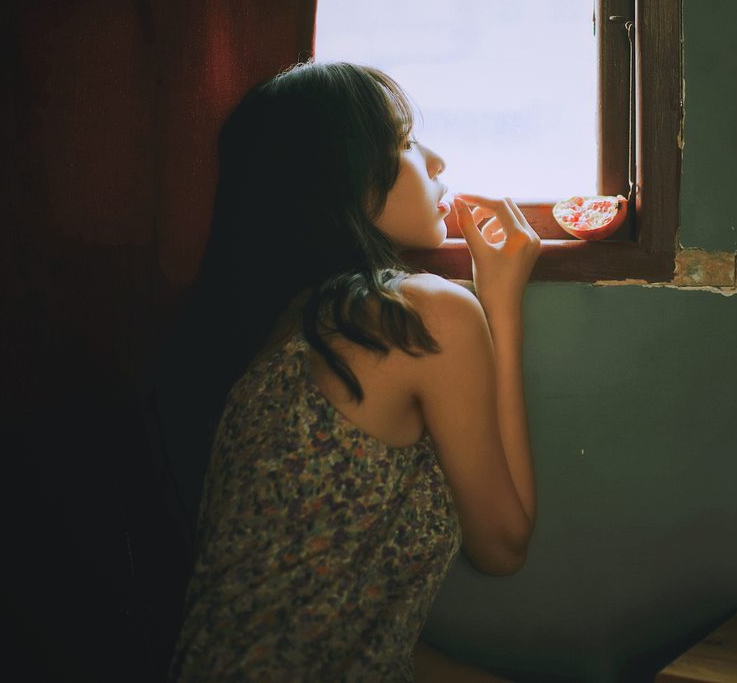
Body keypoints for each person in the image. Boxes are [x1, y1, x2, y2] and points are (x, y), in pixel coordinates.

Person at [157, 60, 540, 681]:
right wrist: (501, 305)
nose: (436, 161)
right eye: (406, 143)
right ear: (345, 180)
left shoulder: (284, 327)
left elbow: (338, 639)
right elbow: (503, 547)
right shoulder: (419, 312)